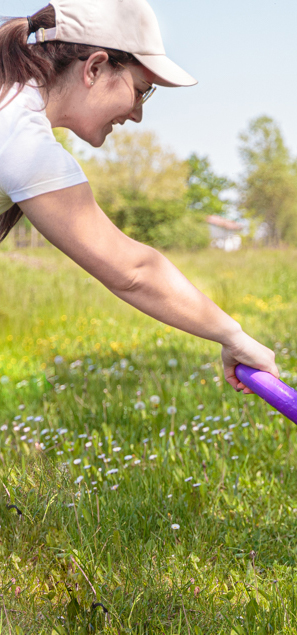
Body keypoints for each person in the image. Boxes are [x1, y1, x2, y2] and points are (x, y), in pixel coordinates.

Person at [0, 0, 278, 392]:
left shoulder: (10, 105)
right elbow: (134, 272)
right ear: (95, 68)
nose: (137, 115)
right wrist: (235, 336)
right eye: (141, 92)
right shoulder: (21, 137)